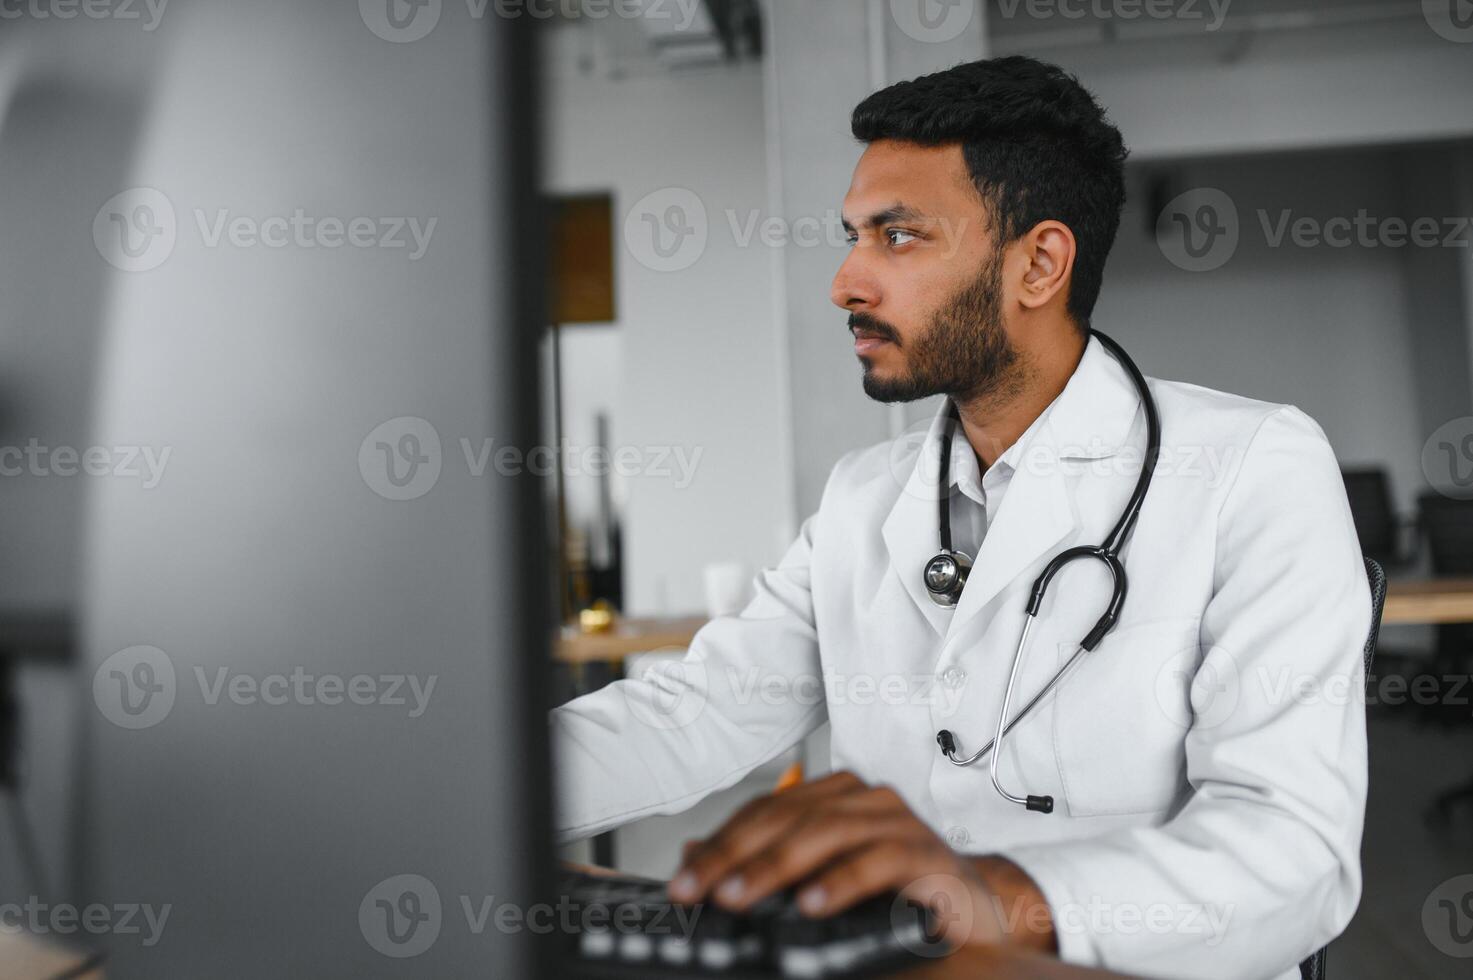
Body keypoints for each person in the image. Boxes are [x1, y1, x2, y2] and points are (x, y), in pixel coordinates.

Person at [551, 56, 1369, 980]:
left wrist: (989, 899)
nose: (846, 282)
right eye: (853, 235)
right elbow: (698, 710)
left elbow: (1292, 853)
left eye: (897, 237)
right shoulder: (866, 494)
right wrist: (457, 797)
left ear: (1038, 264)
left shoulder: (1250, 466)